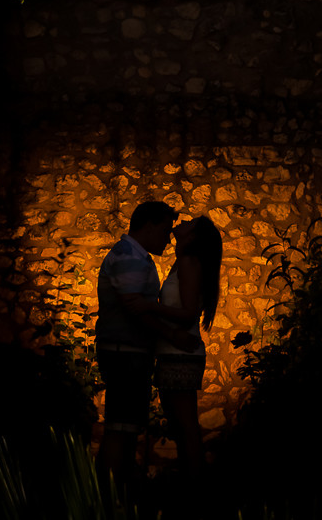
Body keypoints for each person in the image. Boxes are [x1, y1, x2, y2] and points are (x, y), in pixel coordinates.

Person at [94, 201, 197, 492]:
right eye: (165, 230)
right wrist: (173, 335)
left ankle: (115, 491)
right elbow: (134, 308)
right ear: (149, 225)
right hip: (124, 352)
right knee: (120, 428)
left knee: (124, 427)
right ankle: (112, 496)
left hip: (126, 351)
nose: (168, 238)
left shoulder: (134, 255)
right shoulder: (131, 257)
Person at [126, 216, 222, 503]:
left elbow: (189, 312)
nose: (181, 221)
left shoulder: (190, 263)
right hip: (172, 353)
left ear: (194, 236)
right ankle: (192, 488)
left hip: (181, 354)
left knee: (186, 425)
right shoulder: (184, 262)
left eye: (190, 222)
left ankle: (196, 492)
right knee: (180, 424)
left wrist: (147, 306)